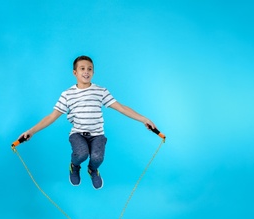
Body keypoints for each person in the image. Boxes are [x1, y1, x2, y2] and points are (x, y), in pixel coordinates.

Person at [17, 55, 157, 190]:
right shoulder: (67, 94)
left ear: (93, 72)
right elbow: (52, 116)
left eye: (89, 69)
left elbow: (121, 108)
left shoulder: (100, 91)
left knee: (97, 158)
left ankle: (92, 170)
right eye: (82, 68)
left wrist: (144, 119)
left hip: (97, 134)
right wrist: (31, 131)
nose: (86, 71)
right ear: (75, 72)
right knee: (82, 154)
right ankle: (74, 166)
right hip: (78, 134)